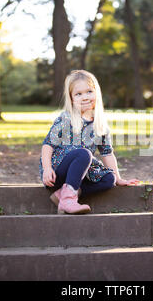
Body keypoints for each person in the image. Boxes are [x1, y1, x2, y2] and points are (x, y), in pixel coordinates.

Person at [39, 69, 140, 214]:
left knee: (109, 178)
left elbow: (107, 153)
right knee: (83, 154)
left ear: (96, 93)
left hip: (79, 175)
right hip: (57, 173)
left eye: (89, 92)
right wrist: (47, 169)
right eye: (78, 94)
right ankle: (68, 200)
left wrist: (118, 178)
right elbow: (48, 145)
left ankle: (63, 194)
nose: (85, 97)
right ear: (71, 98)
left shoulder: (100, 125)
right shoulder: (66, 118)